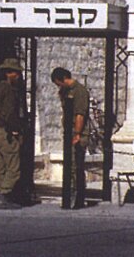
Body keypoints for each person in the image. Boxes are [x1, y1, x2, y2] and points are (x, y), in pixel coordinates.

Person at [0, 57, 25, 210]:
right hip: (5, 131)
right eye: (16, 73)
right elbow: (8, 113)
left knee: (0, 165)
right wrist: (15, 128)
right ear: (10, 73)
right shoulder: (8, 90)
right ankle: (5, 194)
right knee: (13, 166)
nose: (17, 76)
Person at [51, 67, 90, 209]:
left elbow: (80, 114)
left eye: (58, 83)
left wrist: (77, 134)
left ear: (63, 79)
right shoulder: (65, 91)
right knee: (70, 165)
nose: (58, 87)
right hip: (69, 132)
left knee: (76, 166)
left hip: (77, 133)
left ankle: (77, 198)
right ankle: (70, 197)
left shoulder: (79, 91)